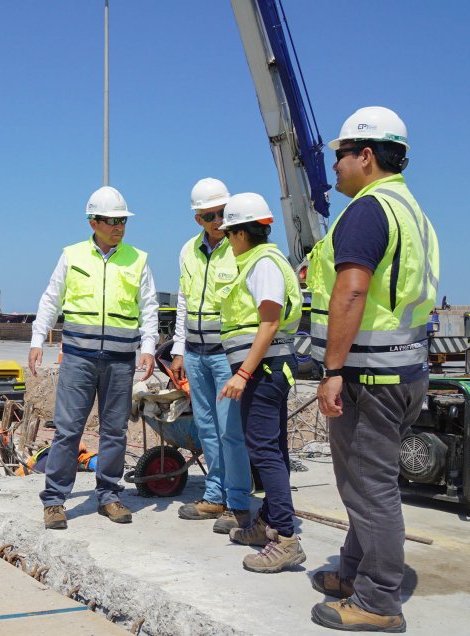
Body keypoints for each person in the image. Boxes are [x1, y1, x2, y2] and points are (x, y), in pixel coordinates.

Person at [307, 107, 438, 632]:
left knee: (369, 487)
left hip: (369, 377)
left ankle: (379, 600)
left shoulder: (367, 210)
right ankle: (355, 571)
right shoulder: (411, 211)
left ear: (366, 155)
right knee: (367, 483)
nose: (334, 166)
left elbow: (354, 290)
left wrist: (332, 370)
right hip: (403, 373)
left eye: (340, 155)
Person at [29, 185, 159, 529]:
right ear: (93, 222)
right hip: (78, 359)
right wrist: (37, 339)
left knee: (114, 431)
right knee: (68, 430)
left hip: (120, 361)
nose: (118, 227)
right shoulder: (72, 256)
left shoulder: (138, 259)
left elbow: (149, 307)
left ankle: (109, 496)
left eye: (122, 221)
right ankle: (55, 500)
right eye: (111, 221)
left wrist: (148, 348)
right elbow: (50, 299)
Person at [216, 192, 305, 574]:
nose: (226, 241)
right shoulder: (258, 261)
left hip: (265, 371)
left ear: (239, 233)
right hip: (266, 370)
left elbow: (269, 322)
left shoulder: (263, 264)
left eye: (228, 233)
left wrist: (242, 373)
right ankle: (269, 522)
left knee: (264, 451)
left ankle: (285, 537)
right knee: (272, 449)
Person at [168, 177, 252, 533]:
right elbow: (184, 302)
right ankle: (214, 495)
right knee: (206, 427)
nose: (217, 221)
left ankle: (238, 502)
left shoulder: (241, 247)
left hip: (226, 354)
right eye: (208, 216)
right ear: (197, 219)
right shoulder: (188, 250)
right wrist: (178, 349)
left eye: (221, 213)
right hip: (196, 352)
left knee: (231, 429)